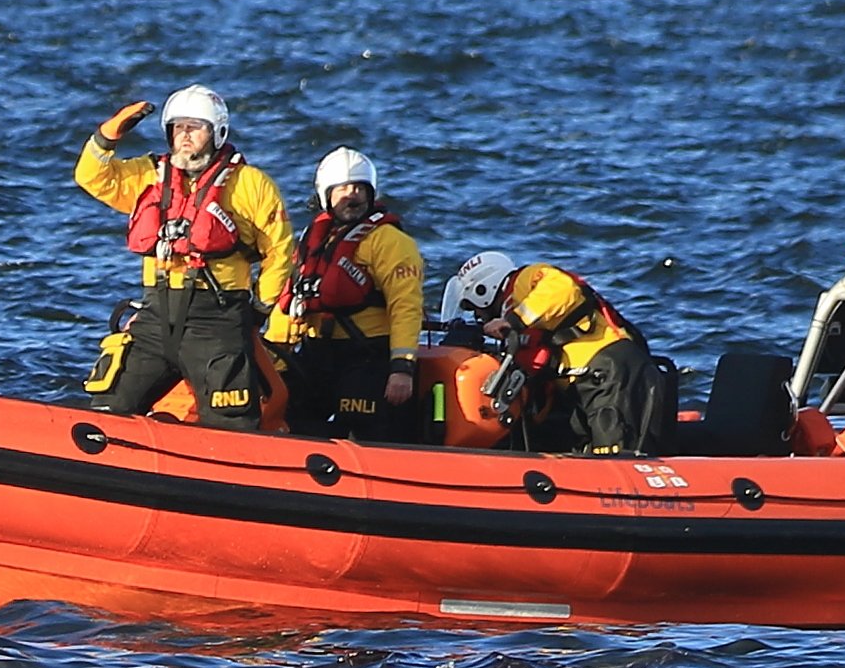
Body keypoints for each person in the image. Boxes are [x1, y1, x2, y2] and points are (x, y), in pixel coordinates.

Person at [76, 85, 292, 430]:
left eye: (195, 127)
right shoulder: (148, 175)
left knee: (230, 422)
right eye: (178, 127)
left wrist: (259, 309)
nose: (185, 136)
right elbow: (90, 176)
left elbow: (279, 252)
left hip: (216, 319)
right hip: (156, 315)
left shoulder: (251, 184)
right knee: (110, 407)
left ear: (217, 132)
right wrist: (108, 135)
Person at [439, 249, 662, 454]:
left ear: (483, 290)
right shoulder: (517, 320)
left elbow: (562, 289)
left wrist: (514, 320)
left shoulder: (525, 280)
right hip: (582, 384)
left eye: (473, 306)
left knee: (615, 448)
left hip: (608, 370)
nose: (477, 314)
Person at [270, 145, 426, 438]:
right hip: (318, 352)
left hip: (367, 356)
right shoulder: (314, 240)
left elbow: (406, 306)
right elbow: (291, 298)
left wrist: (402, 369)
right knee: (293, 413)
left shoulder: (390, 242)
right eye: (342, 189)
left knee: (366, 426)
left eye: (358, 188)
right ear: (325, 195)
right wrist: (275, 359)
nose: (352, 196)